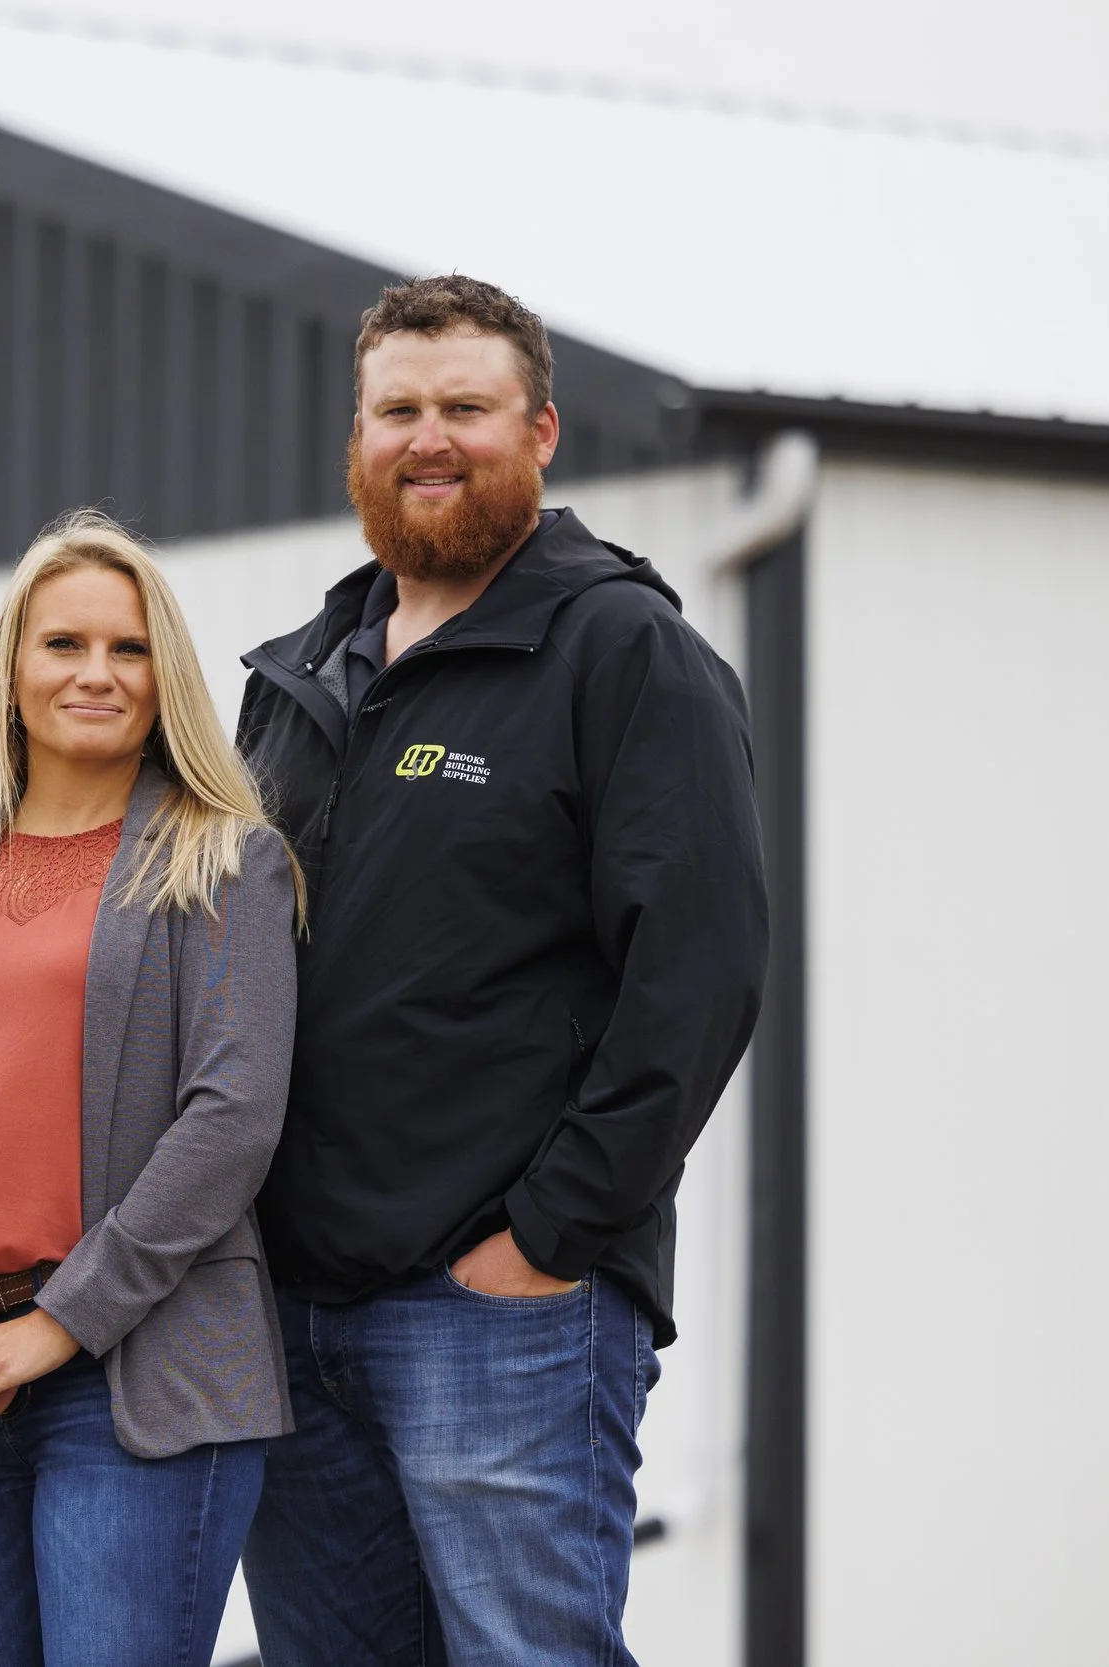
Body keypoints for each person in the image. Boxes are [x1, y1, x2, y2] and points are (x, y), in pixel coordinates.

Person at [234, 274, 771, 1666]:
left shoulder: (624, 651)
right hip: (286, 1318)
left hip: (502, 1312)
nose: (429, 437)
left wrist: (546, 1236)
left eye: (464, 407)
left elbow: (699, 973)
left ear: (540, 432)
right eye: (397, 409)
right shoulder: (292, 682)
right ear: (355, 440)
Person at [0, 510, 303, 1667]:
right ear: (12, 671)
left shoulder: (228, 859)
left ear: (163, 674)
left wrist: (59, 1323)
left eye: (129, 648)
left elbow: (231, 1122)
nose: (96, 672)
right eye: (64, 644)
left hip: (141, 1382)